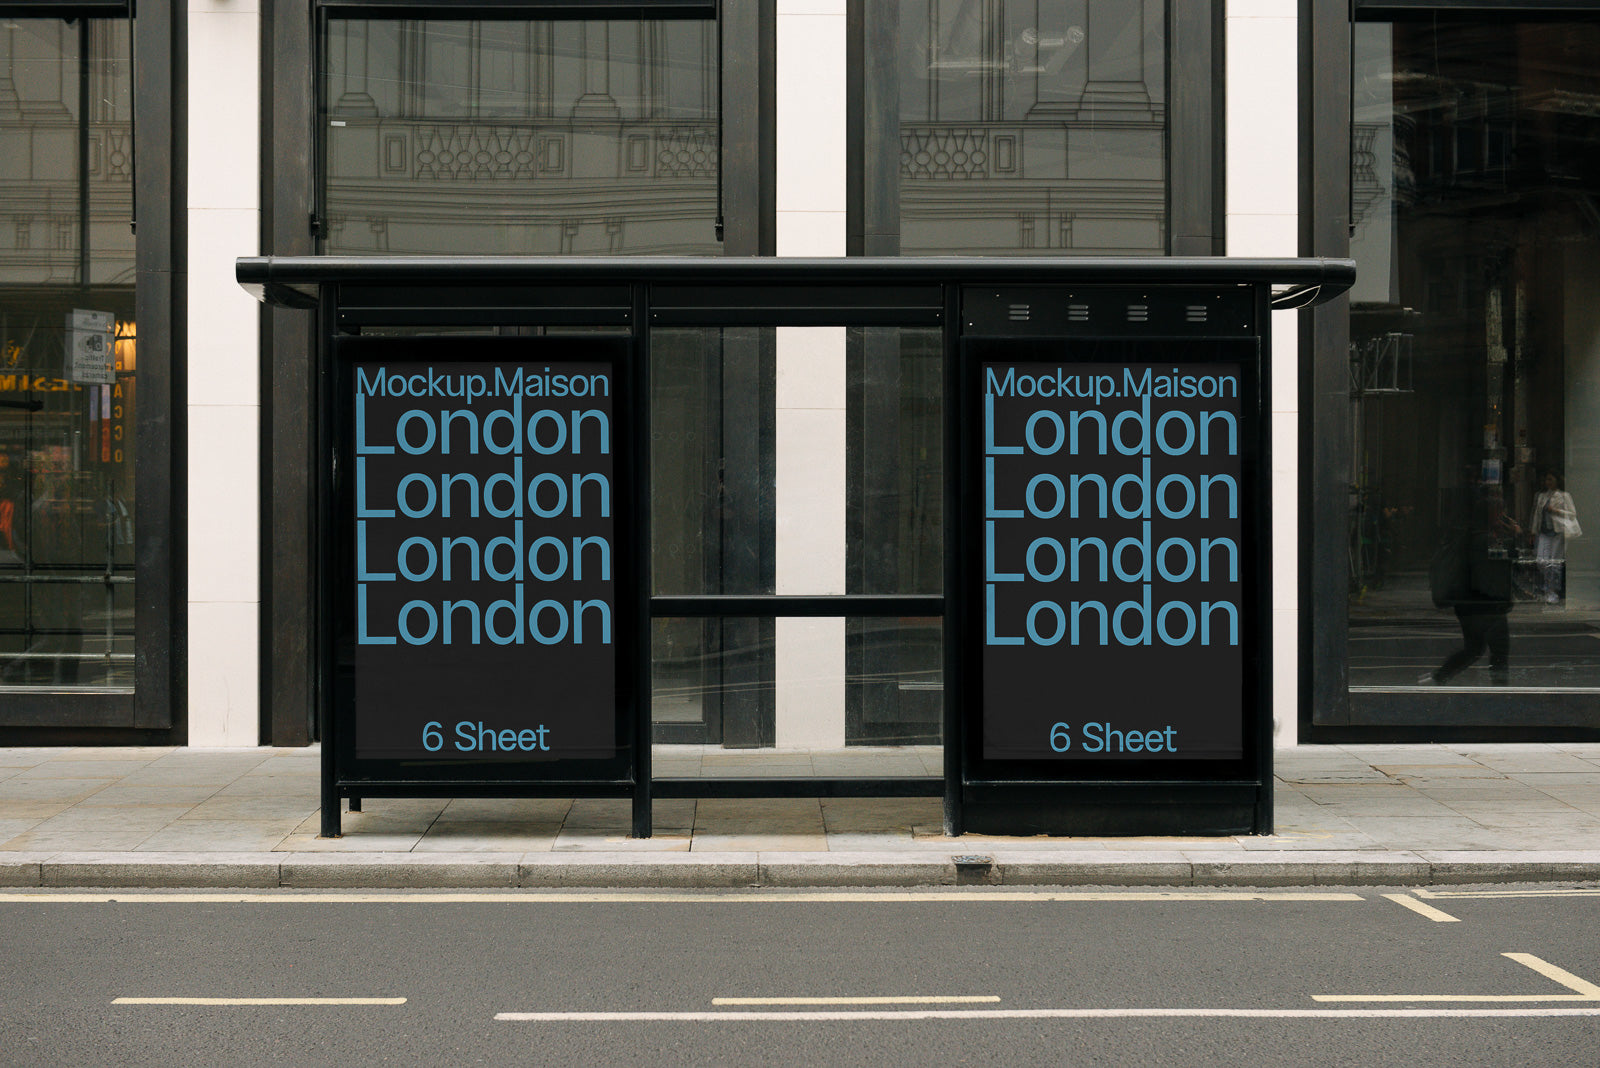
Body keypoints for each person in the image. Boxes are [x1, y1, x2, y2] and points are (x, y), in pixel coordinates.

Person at [1425, 482, 1518, 685]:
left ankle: (1439, 677)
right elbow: (1509, 557)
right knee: (1499, 649)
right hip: (1486, 604)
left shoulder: (1469, 535)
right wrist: (1513, 534)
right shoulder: (1487, 540)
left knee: (1474, 648)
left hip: (1469, 604)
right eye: (1499, 513)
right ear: (1492, 515)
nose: (1502, 517)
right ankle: (1500, 689)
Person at [1528, 470, 1580, 605]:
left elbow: (1572, 514)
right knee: (1541, 561)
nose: (1548, 482)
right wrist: (1533, 531)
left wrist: (1556, 511)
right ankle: (1546, 587)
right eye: (1546, 480)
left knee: (1555, 562)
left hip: (1558, 531)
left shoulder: (1564, 495)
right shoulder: (1541, 496)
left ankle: (1552, 591)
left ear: (1557, 481)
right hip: (1544, 532)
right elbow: (1536, 515)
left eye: (1550, 479)